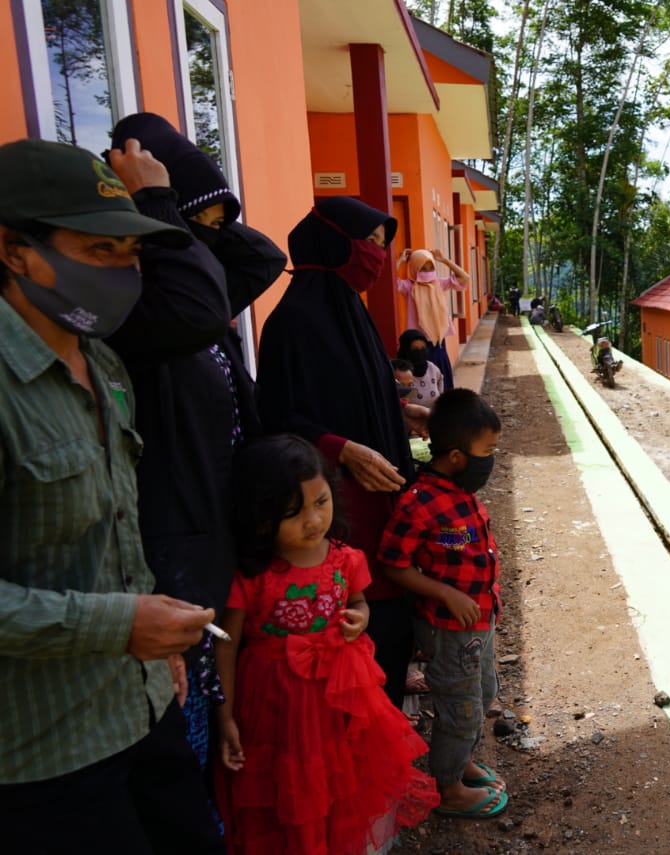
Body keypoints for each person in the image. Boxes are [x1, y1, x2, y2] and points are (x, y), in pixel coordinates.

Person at [0, 138, 223, 852]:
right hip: (44, 753)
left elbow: (117, 531)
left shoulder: (103, 361)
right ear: (13, 250)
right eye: (100, 252)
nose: (125, 273)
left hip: (141, 705)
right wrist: (119, 624)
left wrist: (155, 647)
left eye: (132, 253)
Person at [109, 112, 287, 777]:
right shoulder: (148, 313)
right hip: (175, 550)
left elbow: (261, 257)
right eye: (198, 226)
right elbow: (198, 306)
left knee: (220, 726)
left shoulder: (197, 296)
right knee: (190, 736)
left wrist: (188, 207)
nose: (210, 242)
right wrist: (158, 206)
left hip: (214, 532)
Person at [214, 435, 438, 853]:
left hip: (339, 695)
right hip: (275, 704)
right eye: (293, 513)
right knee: (292, 788)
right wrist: (225, 715)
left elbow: (358, 602)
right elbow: (226, 645)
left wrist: (360, 619)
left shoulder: (346, 558)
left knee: (341, 781)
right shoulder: (251, 576)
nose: (313, 520)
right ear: (261, 519)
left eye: (321, 502)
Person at [255, 196, 428, 710]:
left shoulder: (352, 310)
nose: (376, 256)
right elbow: (279, 417)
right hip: (337, 500)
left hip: (380, 492)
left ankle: (391, 722)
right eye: (369, 243)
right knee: (356, 617)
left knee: (393, 614)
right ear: (332, 241)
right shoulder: (292, 320)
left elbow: (354, 395)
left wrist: (399, 414)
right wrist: (341, 449)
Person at [379, 388, 509, 819]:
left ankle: (461, 760)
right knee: (461, 708)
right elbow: (393, 565)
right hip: (448, 628)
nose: (491, 458)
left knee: (484, 691)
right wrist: (447, 593)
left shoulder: (459, 490)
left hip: (477, 624)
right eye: (487, 450)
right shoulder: (418, 503)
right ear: (456, 457)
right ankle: (448, 787)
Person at [396, 247, 468, 391]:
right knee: (423, 385)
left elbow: (464, 278)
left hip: (438, 342)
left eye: (430, 267)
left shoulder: (439, 284)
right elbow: (389, 281)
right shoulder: (409, 287)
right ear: (415, 268)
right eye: (423, 268)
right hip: (418, 345)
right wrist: (401, 260)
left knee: (443, 383)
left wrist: (444, 260)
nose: (427, 272)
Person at [396, 328, 445, 410]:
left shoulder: (433, 369)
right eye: (415, 349)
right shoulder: (399, 372)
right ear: (405, 350)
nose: (419, 353)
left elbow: (441, 393)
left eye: (423, 349)